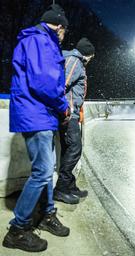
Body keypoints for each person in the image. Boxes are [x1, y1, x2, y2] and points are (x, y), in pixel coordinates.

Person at [2, 4, 71, 252]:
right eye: (65, 32)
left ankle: (47, 213)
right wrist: (63, 106)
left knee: (45, 169)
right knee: (42, 172)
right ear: (60, 27)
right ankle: (18, 229)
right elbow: (45, 82)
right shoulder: (40, 41)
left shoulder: (38, 40)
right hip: (36, 114)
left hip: (40, 114)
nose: (64, 38)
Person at [54, 37, 95, 204]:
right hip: (68, 114)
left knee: (68, 148)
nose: (91, 60)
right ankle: (62, 188)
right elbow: (61, 85)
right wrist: (66, 111)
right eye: (91, 56)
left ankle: (69, 186)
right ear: (86, 54)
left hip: (71, 113)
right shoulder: (74, 61)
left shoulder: (76, 62)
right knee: (75, 148)